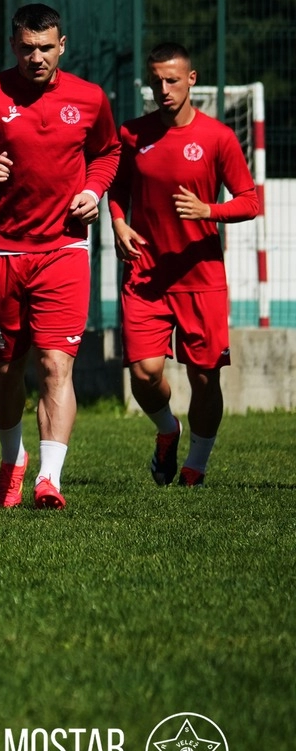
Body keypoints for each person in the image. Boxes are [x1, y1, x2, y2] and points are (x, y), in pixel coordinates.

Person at [0, 3, 118, 511]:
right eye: (27, 47)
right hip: (1, 251)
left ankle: (49, 479)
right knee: (7, 368)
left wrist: (95, 190)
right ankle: (12, 460)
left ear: (63, 45)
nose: (36, 57)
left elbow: (108, 152)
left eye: (46, 47)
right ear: (14, 46)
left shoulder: (89, 98)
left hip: (64, 248)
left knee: (56, 365)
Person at [110, 42, 260, 487]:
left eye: (172, 79)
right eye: (156, 81)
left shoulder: (218, 137)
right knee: (144, 372)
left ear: (191, 80)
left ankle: (196, 464)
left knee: (204, 376)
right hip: (145, 273)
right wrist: (118, 223)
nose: (164, 88)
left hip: (201, 276)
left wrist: (208, 211)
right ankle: (166, 429)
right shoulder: (132, 134)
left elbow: (251, 200)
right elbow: (116, 189)